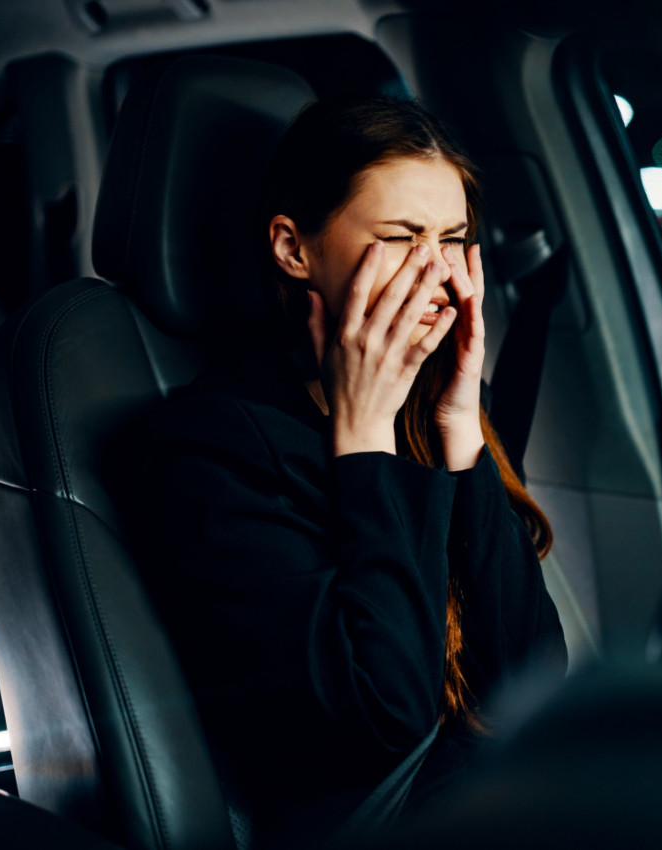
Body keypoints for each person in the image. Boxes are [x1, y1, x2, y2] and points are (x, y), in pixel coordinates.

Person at [136, 96, 567, 846]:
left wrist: (462, 428)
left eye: (454, 240)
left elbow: (531, 678)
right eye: (401, 239)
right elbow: (384, 720)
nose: (437, 276)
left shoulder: (442, 409)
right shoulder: (209, 448)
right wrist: (363, 438)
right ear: (293, 249)